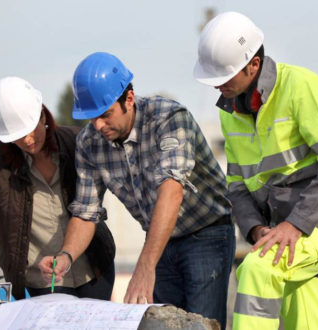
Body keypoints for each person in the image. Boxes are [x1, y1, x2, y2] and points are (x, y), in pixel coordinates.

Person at [38, 52, 235, 328]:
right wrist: (66, 256)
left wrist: (145, 265)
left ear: (128, 99)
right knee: (166, 325)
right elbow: (85, 212)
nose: (98, 126)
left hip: (207, 233)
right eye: (91, 118)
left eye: (105, 115)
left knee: (200, 324)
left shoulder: (169, 119)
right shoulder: (89, 143)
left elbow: (171, 190)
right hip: (158, 240)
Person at [194, 12, 318, 329]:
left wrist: (296, 225)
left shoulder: (300, 86)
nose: (218, 85)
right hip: (280, 229)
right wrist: (255, 228)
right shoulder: (230, 113)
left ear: (253, 66)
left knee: (259, 268)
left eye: (226, 76)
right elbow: (237, 185)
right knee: (305, 312)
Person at [0, 77, 116, 300]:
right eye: (17, 136)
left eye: (31, 129)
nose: (28, 139)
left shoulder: (76, 142)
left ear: (43, 115)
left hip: (94, 268)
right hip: (43, 279)